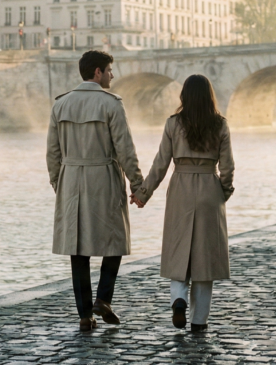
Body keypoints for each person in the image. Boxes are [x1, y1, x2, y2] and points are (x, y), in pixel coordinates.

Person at [46, 50, 143, 332]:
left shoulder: (61, 105)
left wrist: (59, 184)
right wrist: (137, 185)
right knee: (115, 241)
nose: (113, 75)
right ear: (97, 73)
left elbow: (52, 152)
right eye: (110, 70)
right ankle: (103, 298)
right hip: (104, 177)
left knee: (78, 250)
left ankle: (85, 317)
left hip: (71, 180)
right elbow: (125, 149)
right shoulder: (111, 104)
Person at [131, 74, 234, 332]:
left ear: (184, 96)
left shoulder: (172, 124)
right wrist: (223, 192)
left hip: (181, 188)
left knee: (179, 250)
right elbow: (228, 167)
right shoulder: (220, 124)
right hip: (210, 187)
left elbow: (161, 164)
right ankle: (199, 321)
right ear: (209, 96)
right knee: (205, 259)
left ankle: (178, 299)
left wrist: (143, 193)